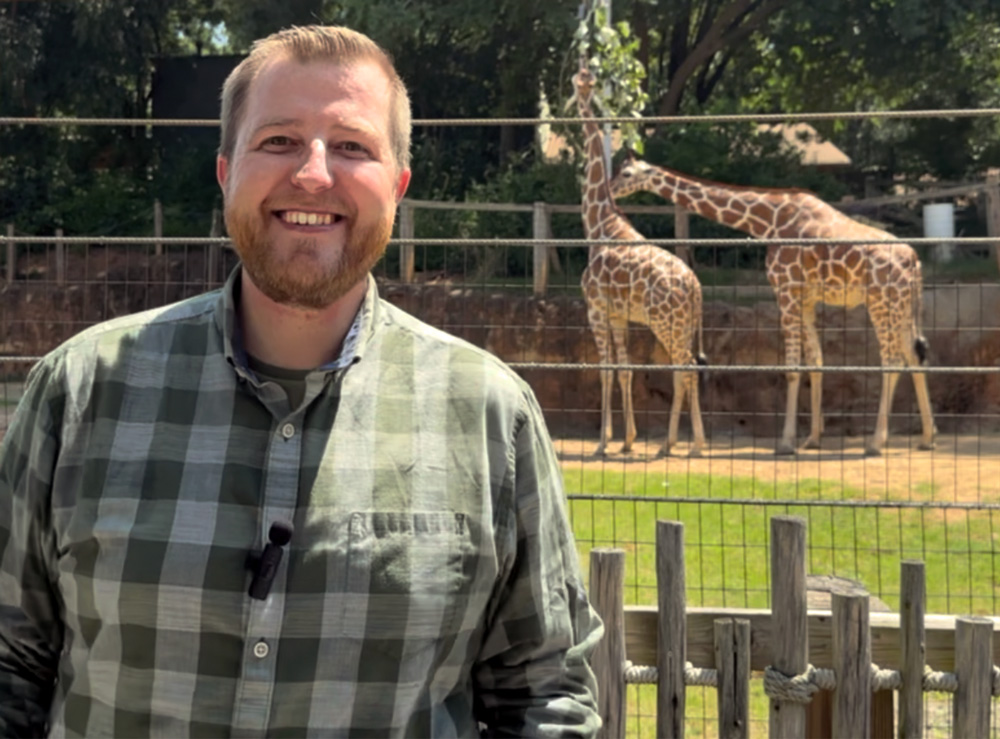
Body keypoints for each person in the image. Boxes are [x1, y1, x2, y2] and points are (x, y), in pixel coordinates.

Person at [0, 25, 603, 738]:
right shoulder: (78, 392)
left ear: (399, 186)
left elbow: (545, 698)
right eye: (279, 140)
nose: (314, 174)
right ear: (226, 170)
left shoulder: (490, 418)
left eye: (351, 146)